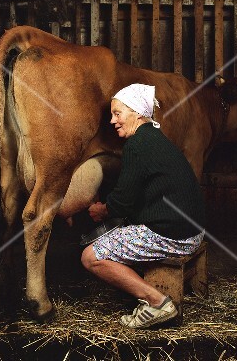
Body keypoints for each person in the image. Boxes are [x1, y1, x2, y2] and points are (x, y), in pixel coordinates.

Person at [81, 83, 206, 329]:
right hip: (192, 231)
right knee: (120, 234)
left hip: (174, 235)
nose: (112, 121)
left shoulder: (137, 145)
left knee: (90, 257)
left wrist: (102, 210)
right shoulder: (156, 138)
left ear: (138, 112)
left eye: (118, 114)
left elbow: (122, 202)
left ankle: (158, 303)